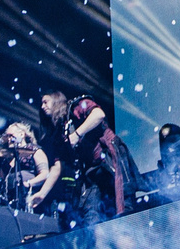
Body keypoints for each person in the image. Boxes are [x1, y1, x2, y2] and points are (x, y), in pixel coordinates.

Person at [41, 87, 141, 224]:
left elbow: (98, 114)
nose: (43, 106)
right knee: (90, 214)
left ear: (56, 99)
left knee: (124, 208)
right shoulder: (59, 131)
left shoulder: (75, 107)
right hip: (91, 171)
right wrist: (41, 194)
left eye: (45, 102)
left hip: (111, 160)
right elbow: (56, 166)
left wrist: (76, 135)